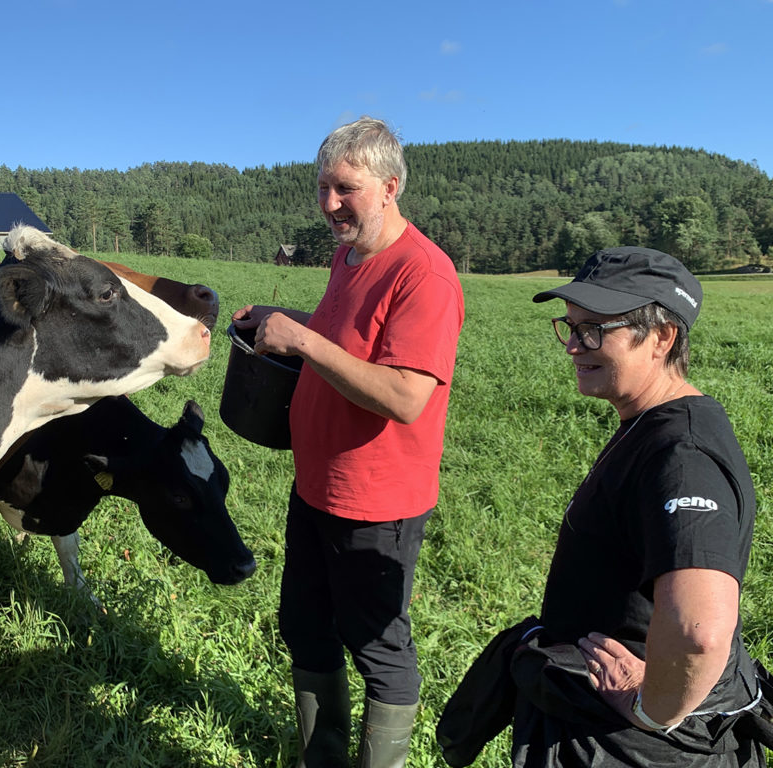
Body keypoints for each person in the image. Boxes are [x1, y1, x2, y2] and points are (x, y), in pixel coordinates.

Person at [441, 247, 766, 768]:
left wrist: (652, 709)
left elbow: (699, 631)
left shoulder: (683, 457)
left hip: (631, 745)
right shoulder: (649, 424)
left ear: (663, 337)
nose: (573, 346)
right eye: (569, 327)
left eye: (594, 330)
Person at [232, 116, 464, 767]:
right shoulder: (349, 256)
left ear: (390, 186)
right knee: (305, 628)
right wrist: (288, 321)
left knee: (379, 651)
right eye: (322, 187)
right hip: (317, 487)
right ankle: (322, 758)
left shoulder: (425, 275)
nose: (330, 203)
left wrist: (302, 342)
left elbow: (403, 395)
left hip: (377, 503)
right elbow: (348, 338)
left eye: (346, 189)